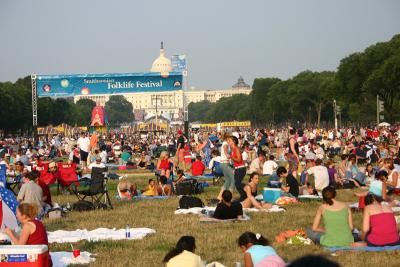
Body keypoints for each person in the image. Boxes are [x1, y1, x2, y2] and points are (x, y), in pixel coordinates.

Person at [228, 136, 247, 201]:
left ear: (234, 141)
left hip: (241, 169)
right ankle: (243, 196)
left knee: (237, 183)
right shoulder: (233, 149)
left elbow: (239, 160)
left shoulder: (236, 148)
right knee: (237, 184)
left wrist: (231, 157)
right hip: (237, 168)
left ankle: (248, 188)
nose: (228, 142)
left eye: (230, 141)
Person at [217, 132, 235, 201]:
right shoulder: (225, 143)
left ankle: (220, 196)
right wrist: (227, 154)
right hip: (225, 163)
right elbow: (225, 149)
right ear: (228, 138)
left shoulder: (226, 143)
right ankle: (230, 197)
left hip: (223, 163)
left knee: (227, 180)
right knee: (233, 179)